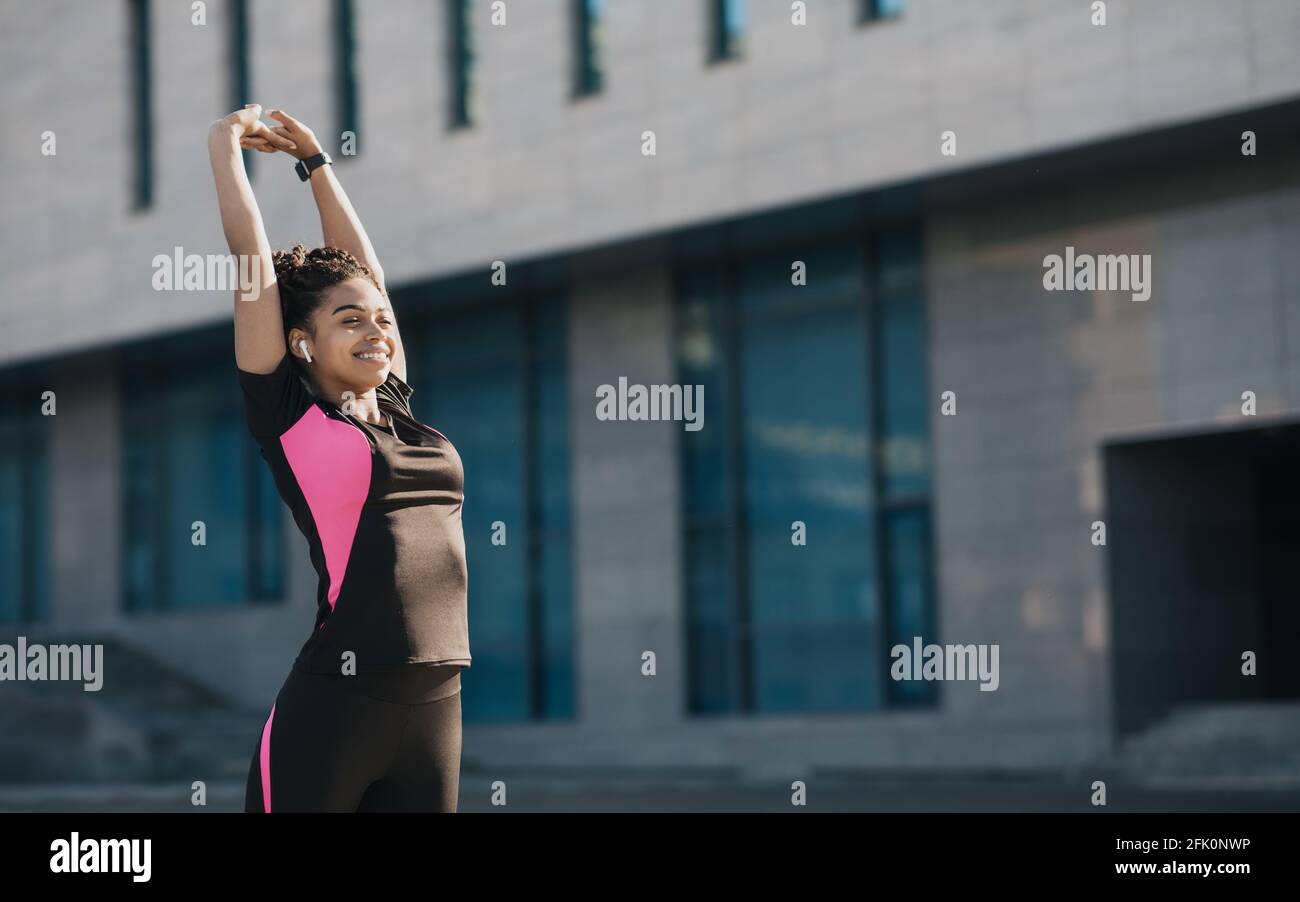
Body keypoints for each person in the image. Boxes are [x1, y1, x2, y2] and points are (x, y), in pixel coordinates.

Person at [208, 104, 470, 812]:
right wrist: (224, 147)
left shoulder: (397, 407)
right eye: (349, 322)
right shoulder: (291, 419)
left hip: (435, 710)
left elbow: (370, 278)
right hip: (334, 709)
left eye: (381, 319)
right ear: (301, 343)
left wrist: (317, 163)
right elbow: (252, 263)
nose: (376, 331)